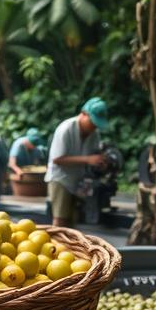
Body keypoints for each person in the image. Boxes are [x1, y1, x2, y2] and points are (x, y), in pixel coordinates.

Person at [45, 97, 108, 226]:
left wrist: (100, 162)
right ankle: (56, 246)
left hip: (77, 180)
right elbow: (57, 159)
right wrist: (88, 160)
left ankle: (70, 246)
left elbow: (94, 156)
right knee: (60, 220)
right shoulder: (66, 128)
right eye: (92, 122)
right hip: (60, 180)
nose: (94, 127)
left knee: (73, 221)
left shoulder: (94, 134)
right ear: (84, 114)